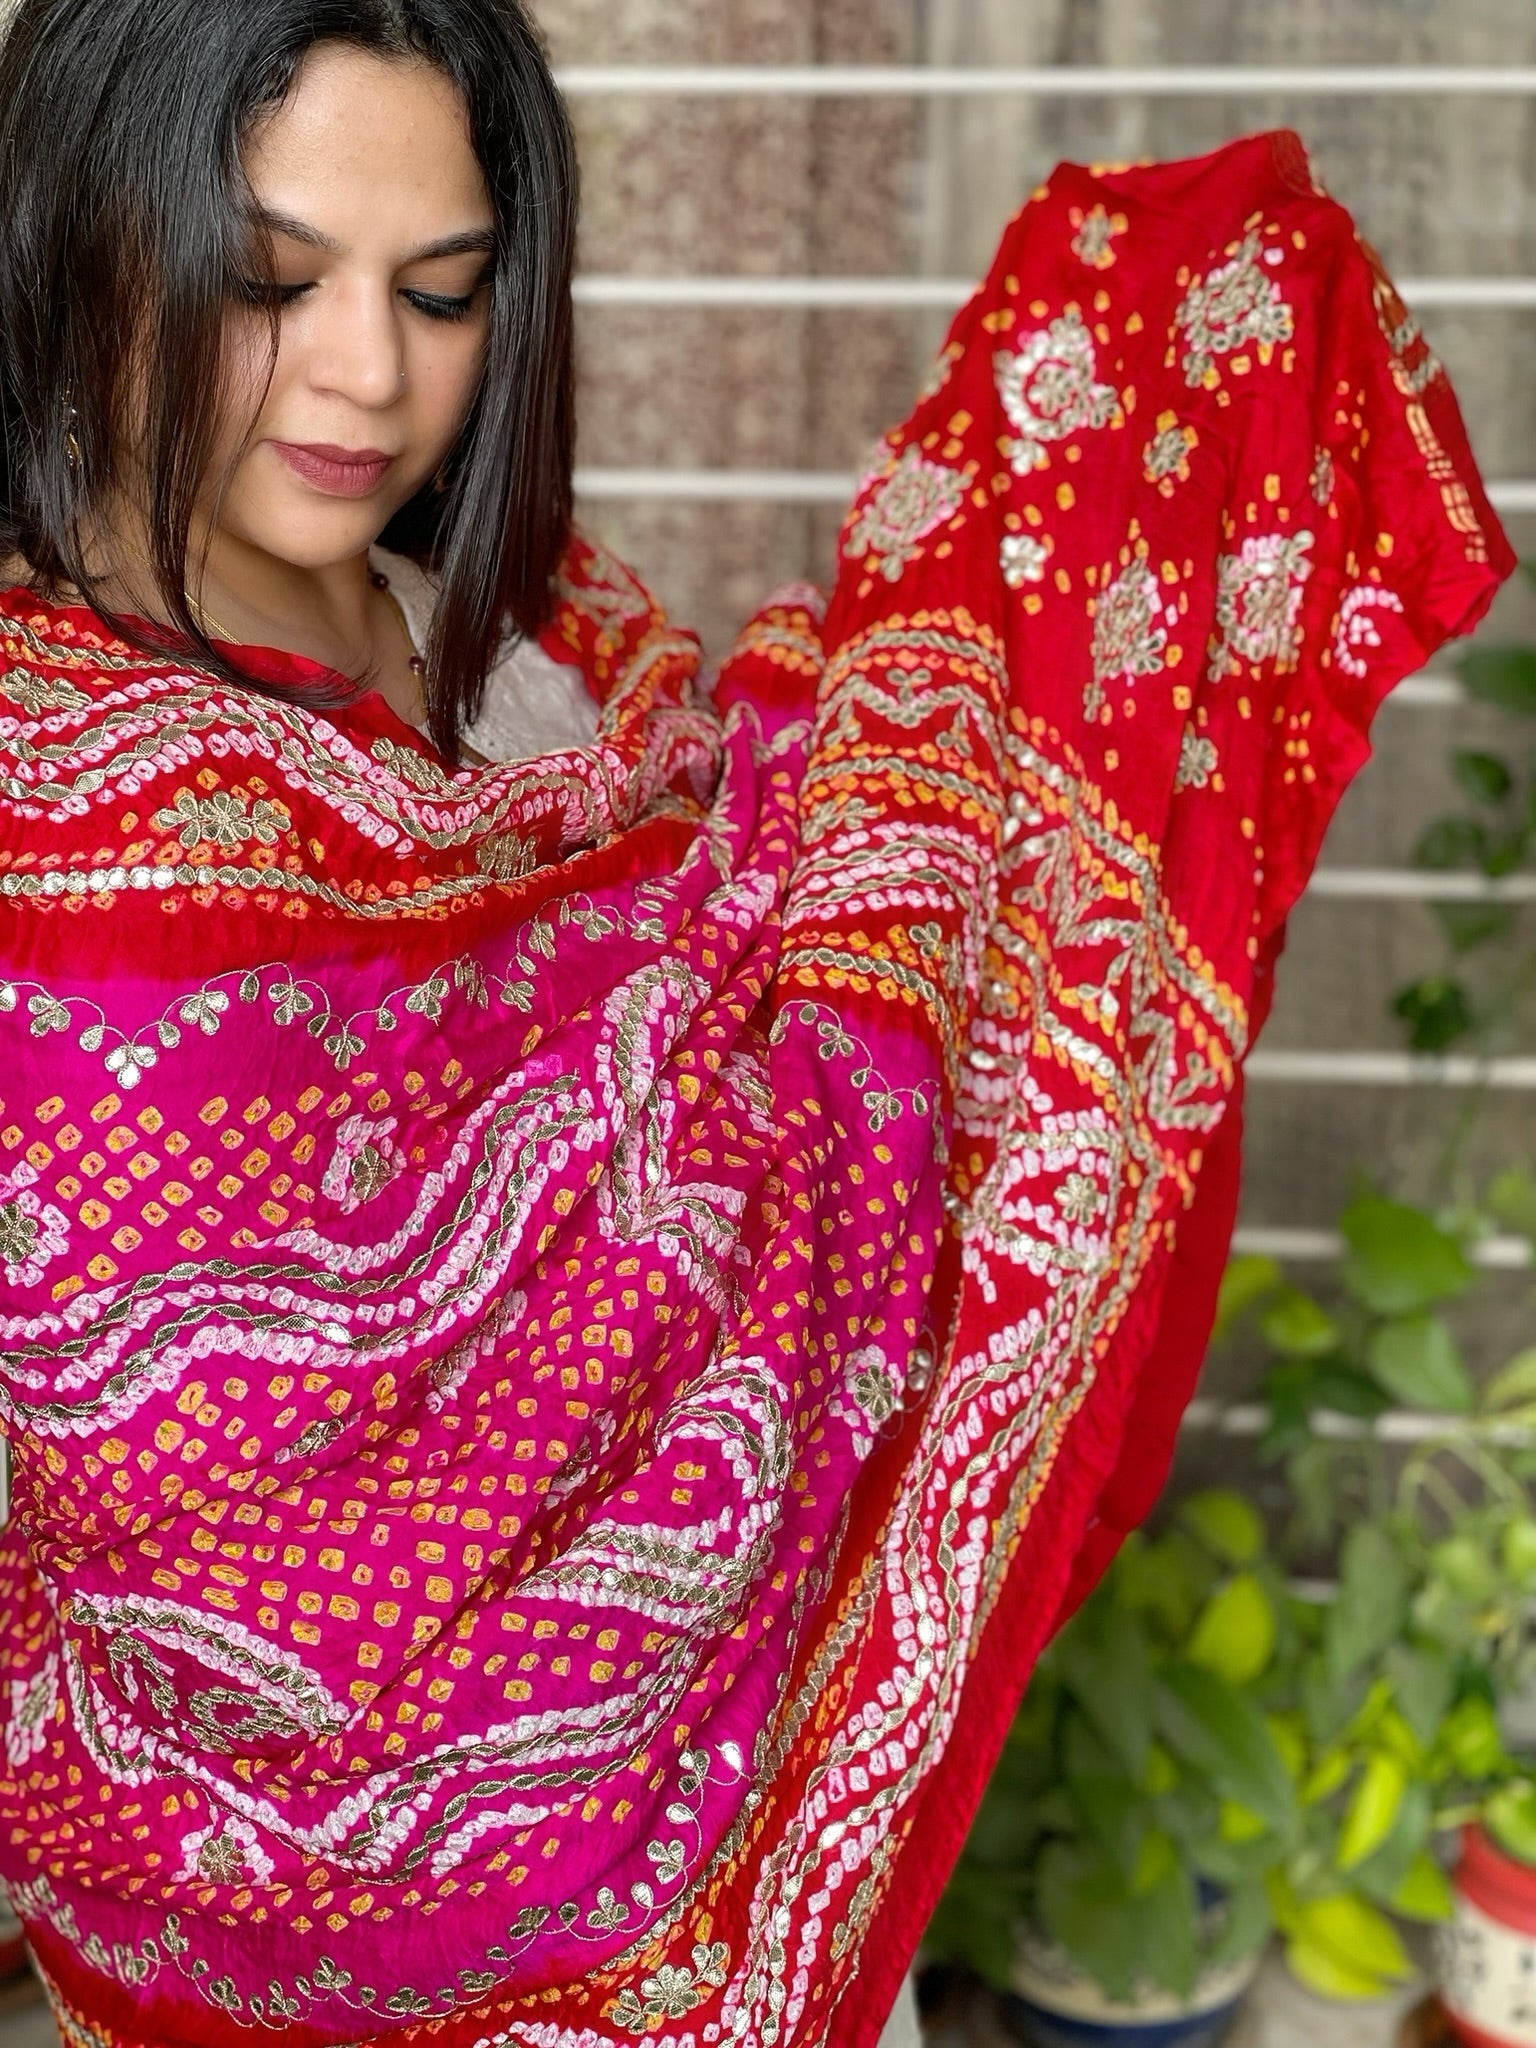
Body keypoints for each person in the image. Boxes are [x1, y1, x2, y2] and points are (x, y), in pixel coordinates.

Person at [0, 3, 1513, 2045]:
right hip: (266, 1961)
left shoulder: (506, 624)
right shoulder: (56, 823)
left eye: (444, 293)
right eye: (271, 284)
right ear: (75, 234)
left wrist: (935, 772)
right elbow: (218, 1475)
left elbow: (741, 971)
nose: (370, 373)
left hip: (743, 1800)